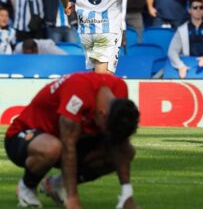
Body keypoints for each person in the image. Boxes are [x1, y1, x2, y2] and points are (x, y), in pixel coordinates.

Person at [3, 72, 140, 209]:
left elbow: (120, 144)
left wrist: (127, 194)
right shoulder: (78, 92)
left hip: (64, 140)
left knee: (127, 152)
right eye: (107, 129)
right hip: (23, 136)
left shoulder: (120, 90)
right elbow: (68, 146)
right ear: (102, 114)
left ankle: (57, 184)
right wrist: (72, 198)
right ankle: (27, 186)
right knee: (52, 148)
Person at [167, 0, 203, 79]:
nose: (198, 10)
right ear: (189, 10)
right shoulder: (181, 30)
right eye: (195, 8)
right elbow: (172, 51)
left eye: (201, 7)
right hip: (187, 66)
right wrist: (180, 66)